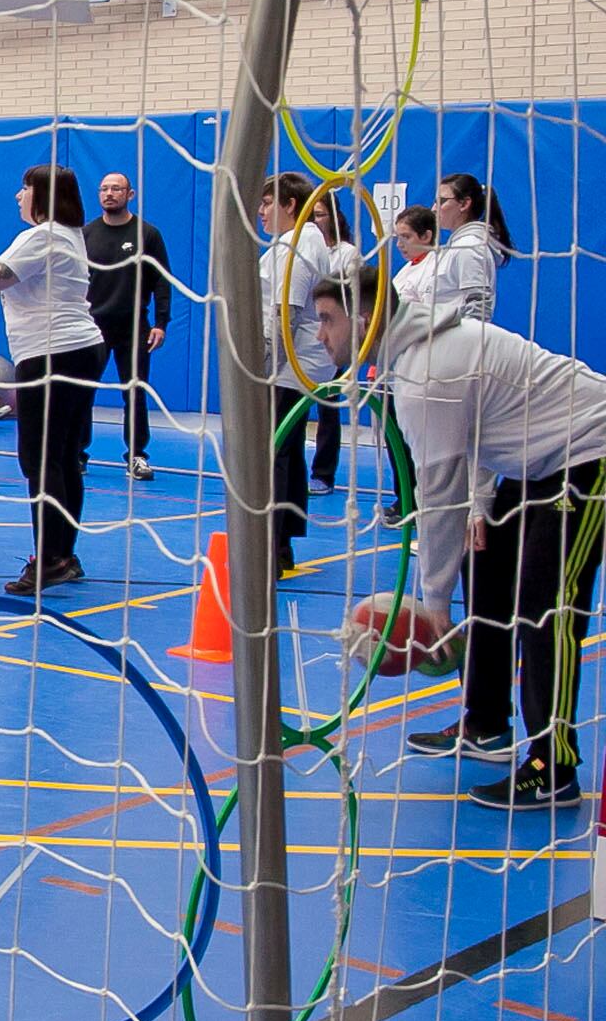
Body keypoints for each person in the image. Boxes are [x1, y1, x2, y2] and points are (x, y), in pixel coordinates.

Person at [317, 264, 606, 812]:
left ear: (364, 316)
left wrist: (433, 607)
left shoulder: (428, 372)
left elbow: (438, 492)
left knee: (548, 607)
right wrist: (483, 504)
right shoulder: (419, 355)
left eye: (328, 319)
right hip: (535, 460)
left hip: (589, 449)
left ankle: (553, 765)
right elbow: (481, 431)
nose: (319, 333)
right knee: (486, 566)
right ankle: (487, 724)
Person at [0, 165, 106, 594]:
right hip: (76, 351)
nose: (18, 196)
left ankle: (52, 558)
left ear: (43, 195)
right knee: (61, 456)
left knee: (40, 459)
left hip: (55, 354)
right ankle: (63, 554)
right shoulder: (68, 234)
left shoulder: (46, 235)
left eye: (25, 189)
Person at [257, 173, 336, 577]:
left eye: (269, 203)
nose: (261, 211)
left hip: (293, 363)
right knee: (284, 451)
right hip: (297, 362)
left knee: (275, 453)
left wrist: (265, 362)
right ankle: (282, 541)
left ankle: (273, 544)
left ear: (290, 204)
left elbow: (286, 310)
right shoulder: (295, 242)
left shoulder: (300, 242)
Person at [82, 171, 174, 482]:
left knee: (134, 392)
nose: (109, 194)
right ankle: (77, 453)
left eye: (116, 189)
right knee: (82, 392)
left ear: (130, 194)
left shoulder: (148, 235)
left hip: (134, 327)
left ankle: (136, 455)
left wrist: (161, 322)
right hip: (91, 328)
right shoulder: (86, 235)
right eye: (104, 188)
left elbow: (161, 281)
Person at [374, 205, 438, 529]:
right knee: (394, 439)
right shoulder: (405, 272)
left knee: (412, 439)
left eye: (407, 237)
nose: (400, 244)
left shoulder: (435, 270)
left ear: (427, 236)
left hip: (417, 369)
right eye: (397, 237)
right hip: (393, 368)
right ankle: (404, 498)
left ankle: (417, 502)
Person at [301, 194, 360, 495]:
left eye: (321, 215)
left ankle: (323, 473)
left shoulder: (347, 253)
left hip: (332, 338)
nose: (315, 221)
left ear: (334, 218)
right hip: (301, 338)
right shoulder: (298, 248)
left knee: (328, 405)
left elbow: (347, 297)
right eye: (311, 215)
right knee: (293, 406)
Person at [432, 172, 509, 324]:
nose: (434, 208)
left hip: (457, 343)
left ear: (464, 204)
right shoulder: (458, 246)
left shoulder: (469, 247)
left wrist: (465, 344)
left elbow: (478, 306)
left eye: (441, 201)